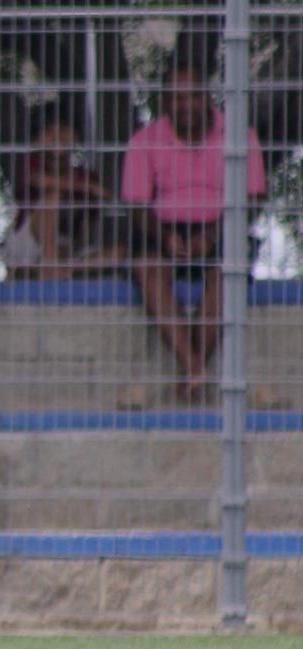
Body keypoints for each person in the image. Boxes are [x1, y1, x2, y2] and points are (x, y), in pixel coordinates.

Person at [119, 61, 266, 405]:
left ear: (207, 97)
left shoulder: (240, 136)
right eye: (176, 98)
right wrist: (166, 238)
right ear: (166, 102)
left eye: (192, 96)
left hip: (222, 226)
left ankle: (191, 368)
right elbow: (137, 206)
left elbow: (254, 198)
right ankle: (194, 365)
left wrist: (213, 235)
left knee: (226, 272)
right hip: (163, 229)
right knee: (145, 266)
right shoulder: (145, 140)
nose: (185, 105)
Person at [0, 108, 118, 280]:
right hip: (29, 243)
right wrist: (84, 186)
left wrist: (90, 188)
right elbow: (39, 180)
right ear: (37, 140)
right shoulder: (32, 163)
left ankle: (61, 270)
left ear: (75, 136)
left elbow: (87, 221)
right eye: (49, 132)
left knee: (120, 252)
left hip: (66, 248)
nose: (58, 137)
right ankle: (48, 267)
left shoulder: (86, 176)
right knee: (52, 197)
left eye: (64, 130)